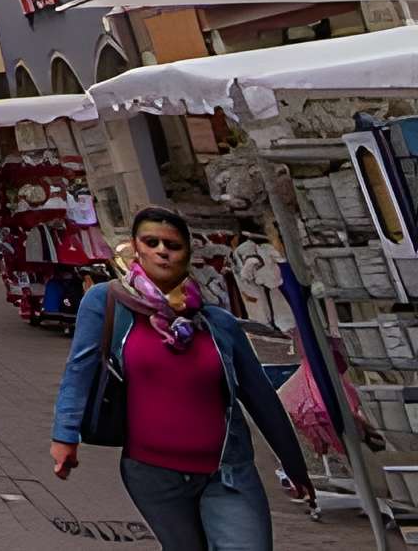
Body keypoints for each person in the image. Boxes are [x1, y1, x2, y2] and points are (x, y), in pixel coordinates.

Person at [53, 205, 309, 550]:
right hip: (152, 475)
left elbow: (260, 396)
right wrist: (65, 436)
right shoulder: (108, 302)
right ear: (136, 247)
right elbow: (79, 371)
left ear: (187, 252)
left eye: (172, 245)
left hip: (228, 473)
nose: (162, 250)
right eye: (152, 242)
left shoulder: (218, 322)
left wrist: (294, 464)